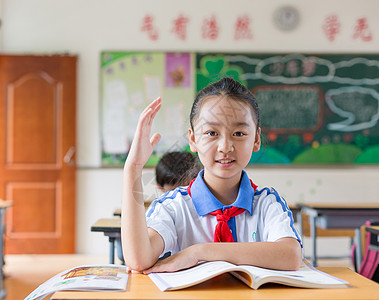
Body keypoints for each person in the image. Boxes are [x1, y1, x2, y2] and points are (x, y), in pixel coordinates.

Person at [121, 77, 302, 274]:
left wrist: (200, 252)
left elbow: (291, 255)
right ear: (193, 139)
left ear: (256, 139)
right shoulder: (174, 207)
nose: (225, 147)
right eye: (211, 133)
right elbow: (138, 260)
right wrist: (133, 167)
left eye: (239, 133)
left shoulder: (267, 203)